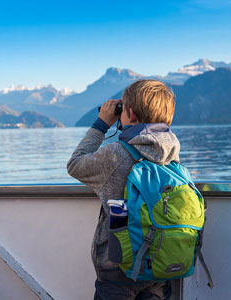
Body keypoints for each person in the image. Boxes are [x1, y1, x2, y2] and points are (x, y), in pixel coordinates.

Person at [67, 79, 179, 300]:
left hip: (118, 267)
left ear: (130, 114)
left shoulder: (116, 154)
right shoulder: (172, 154)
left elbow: (75, 165)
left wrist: (102, 123)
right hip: (160, 260)